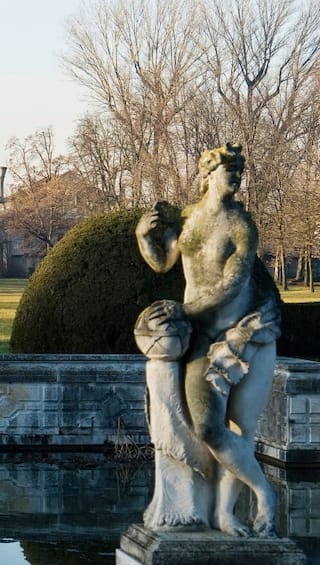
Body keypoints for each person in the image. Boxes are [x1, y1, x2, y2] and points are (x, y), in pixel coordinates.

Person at [136, 142, 279, 537]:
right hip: (202, 337)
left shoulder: (240, 225)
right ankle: (264, 491)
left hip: (246, 332)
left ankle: (228, 513)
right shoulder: (189, 219)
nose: (235, 176)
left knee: (240, 427)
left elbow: (232, 285)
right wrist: (144, 236)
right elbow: (163, 262)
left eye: (238, 170)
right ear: (208, 175)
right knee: (207, 426)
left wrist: (183, 311)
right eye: (228, 169)